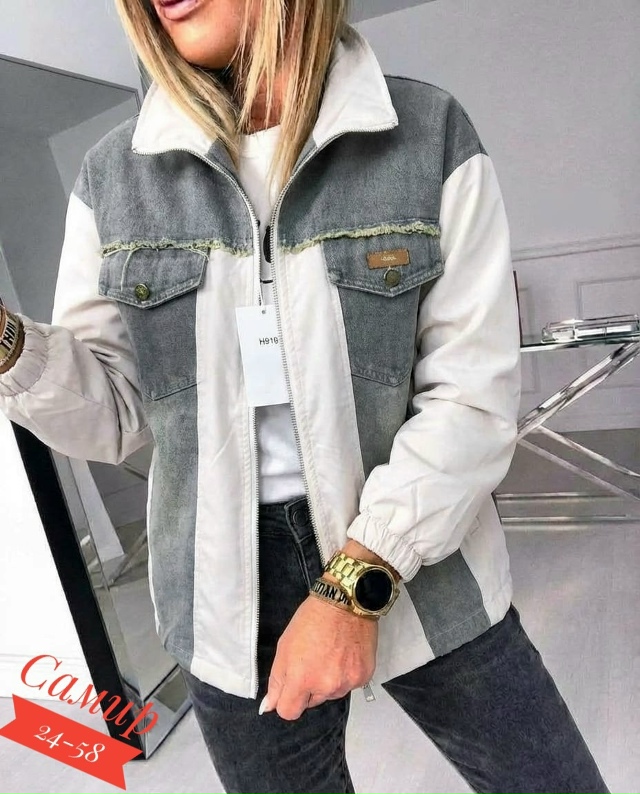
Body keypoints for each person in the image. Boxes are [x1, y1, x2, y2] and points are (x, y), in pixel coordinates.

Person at [0, 1, 610, 792]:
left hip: (419, 552)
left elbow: (469, 397)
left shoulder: (426, 135)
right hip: (221, 594)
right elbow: (114, 416)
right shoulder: (114, 177)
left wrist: (354, 589)